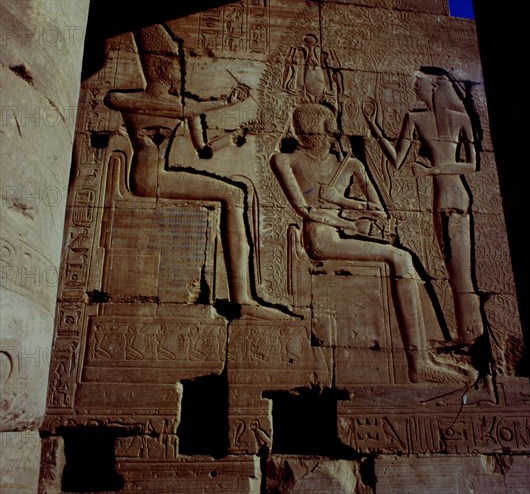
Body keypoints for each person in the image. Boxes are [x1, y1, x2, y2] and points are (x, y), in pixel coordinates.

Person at [104, 23, 294, 320]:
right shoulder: (132, 101)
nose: (178, 71)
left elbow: (203, 150)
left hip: (163, 177)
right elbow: (121, 101)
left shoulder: (187, 106)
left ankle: (244, 294)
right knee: (232, 194)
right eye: (171, 64)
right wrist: (223, 102)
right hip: (145, 179)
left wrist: (236, 134)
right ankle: (241, 297)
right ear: (156, 66)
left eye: (177, 65)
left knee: (235, 193)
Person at [270, 102, 467, 383]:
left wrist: (343, 201)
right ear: (313, 134)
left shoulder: (349, 165)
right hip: (320, 239)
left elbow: (378, 212)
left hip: (343, 233)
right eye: (324, 134)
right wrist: (348, 222)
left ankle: (422, 355)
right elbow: (304, 210)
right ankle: (418, 362)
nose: (329, 139)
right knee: (400, 258)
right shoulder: (284, 160)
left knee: (401, 259)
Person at [364, 67, 482, 344]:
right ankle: (467, 334)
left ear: (434, 87)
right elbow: (396, 159)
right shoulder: (415, 118)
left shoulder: (460, 118)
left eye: (419, 84)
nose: (415, 88)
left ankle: (471, 336)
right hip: (443, 198)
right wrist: (374, 127)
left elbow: (472, 164)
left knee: (461, 274)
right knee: (454, 272)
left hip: (455, 197)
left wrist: (431, 171)